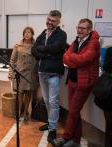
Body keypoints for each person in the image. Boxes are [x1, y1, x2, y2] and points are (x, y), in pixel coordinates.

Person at [52, 18, 100, 147]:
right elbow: (65, 56)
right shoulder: (76, 41)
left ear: (89, 30)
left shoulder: (94, 43)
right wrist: (73, 59)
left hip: (84, 83)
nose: (79, 30)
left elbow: (84, 59)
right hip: (72, 81)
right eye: (78, 27)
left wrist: (72, 59)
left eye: (83, 28)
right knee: (75, 112)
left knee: (73, 111)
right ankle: (76, 141)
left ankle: (66, 138)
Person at [31, 10, 67, 142]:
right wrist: (46, 53)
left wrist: (43, 49)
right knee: (46, 100)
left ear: (58, 22)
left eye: (53, 21)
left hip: (54, 73)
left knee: (53, 101)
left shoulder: (61, 34)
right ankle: (50, 122)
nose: (50, 22)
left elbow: (56, 48)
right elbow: (34, 50)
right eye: (49, 20)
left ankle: (52, 128)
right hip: (42, 72)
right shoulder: (43, 33)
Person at [8, 26, 37, 121]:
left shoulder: (36, 45)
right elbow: (12, 60)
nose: (27, 34)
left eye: (29, 32)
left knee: (28, 94)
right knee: (20, 94)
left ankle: (25, 112)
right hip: (20, 73)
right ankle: (19, 111)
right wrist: (11, 73)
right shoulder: (17, 45)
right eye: (25, 32)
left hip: (30, 73)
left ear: (32, 34)